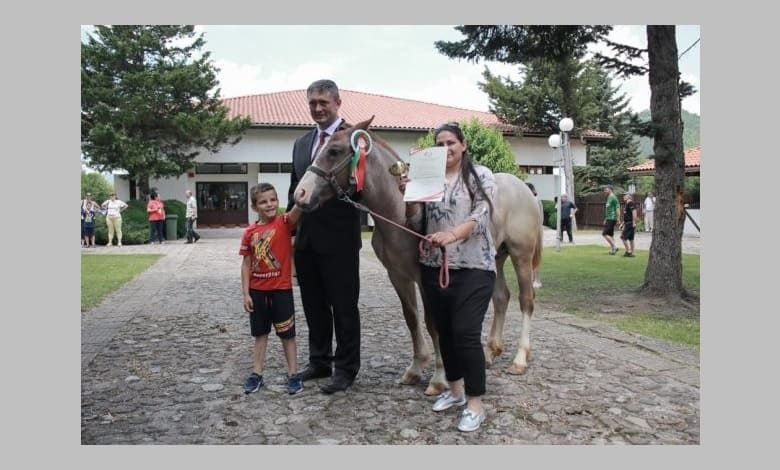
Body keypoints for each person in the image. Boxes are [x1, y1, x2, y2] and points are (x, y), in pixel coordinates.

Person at [399, 122, 496, 432]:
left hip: (474, 268)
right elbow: (415, 222)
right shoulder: (427, 178)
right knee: (445, 332)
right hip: (433, 267)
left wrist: (452, 234)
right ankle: (455, 392)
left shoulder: (481, 176)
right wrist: (410, 197)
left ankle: (476, 403)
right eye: (439, 144)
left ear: (463, 144)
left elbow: (481, 216)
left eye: (450, 142)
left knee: (466, 333)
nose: (446, 149)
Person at [287, 79, 362, 394]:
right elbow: (295, 188)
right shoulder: (301, 143)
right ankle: (320, 361)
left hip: (340, 239)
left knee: (344, 307)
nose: (318, 108)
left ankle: (346, 369)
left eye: (323, 103)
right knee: (313, 305)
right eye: (313, 103)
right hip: (306, 240)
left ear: (337, 103)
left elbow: (366, 186)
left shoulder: (356, 140)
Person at [240, 183, 304, 395]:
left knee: (288, 335)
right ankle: (257, 373)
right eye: (263, 202)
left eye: (273, 200)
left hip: (281, 291)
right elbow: (246, 264)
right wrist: (246, 293)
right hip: (258, 293)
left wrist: (303, 196)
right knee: (260, 334)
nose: (269, 205)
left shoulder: (284, 222)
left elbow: (298, 209)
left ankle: (293, 374)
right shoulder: (250, 233)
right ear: (254, 207)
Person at [525, 182, 543, 288]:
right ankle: (531, 278)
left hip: (535, 230)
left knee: (535, 256)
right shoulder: (527, 201)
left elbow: (540, 217)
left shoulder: (535, 200)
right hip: (528, 230)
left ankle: (537, 279)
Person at [602, 185, 620, 255]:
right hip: (609, 218)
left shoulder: (613, 197)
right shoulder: (609, 197)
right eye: (604, 190)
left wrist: (618, 218)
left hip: (612, 218)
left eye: (606, 190)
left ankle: (614, 247)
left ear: (610, 189)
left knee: (604, 234)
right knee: (610, 234)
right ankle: (613, 250)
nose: (605, 191)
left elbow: (617, 208)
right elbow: (608, 209)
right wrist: (605, 218)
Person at [620, 193, 638, 257]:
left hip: (630, 223)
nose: (623, 196)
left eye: (625, 195)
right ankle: (632, 253)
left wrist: (634, 223)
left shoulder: (631, 203)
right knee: (631, 239)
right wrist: (622, 223)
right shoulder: (627, 204)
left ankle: (628, 251)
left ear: (629, 197)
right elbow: (627, 215)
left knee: (623, 237)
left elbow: (634, 213)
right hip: (627, 223)